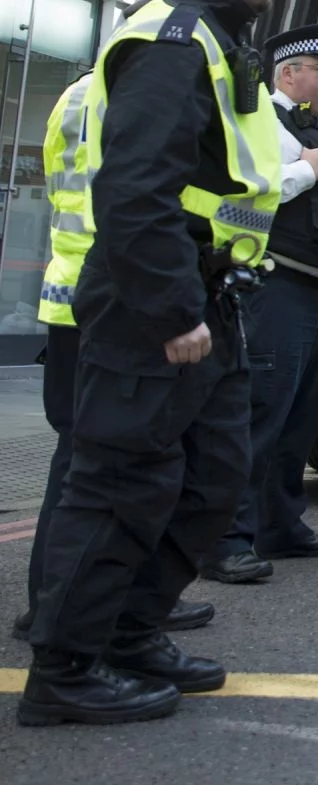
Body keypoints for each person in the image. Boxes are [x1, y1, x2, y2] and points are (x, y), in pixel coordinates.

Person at [20, 0, 304, 728]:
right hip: (154, 299)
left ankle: (132, 632)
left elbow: (227, 185)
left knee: (212, 479)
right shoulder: (171, 40)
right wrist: (175, 308)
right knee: (119, 485)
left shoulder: (219, 43)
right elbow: (135, 190)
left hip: (212, 293)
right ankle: (67, 669)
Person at [12, 75, 213, 643]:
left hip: (72, 291)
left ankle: (49, 604)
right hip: (117, 294)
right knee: (108, 467)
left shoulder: (72, 94)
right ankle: (77, 610)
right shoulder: (141, 89)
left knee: (76, 461)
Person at [200, 25, 318, 583]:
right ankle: (226, 539)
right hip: (277, 288)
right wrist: (311, 169)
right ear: (287, 73)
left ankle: (280, 523)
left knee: (299, 420)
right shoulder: (264, 120)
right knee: (259, 418)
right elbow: (250, 190)